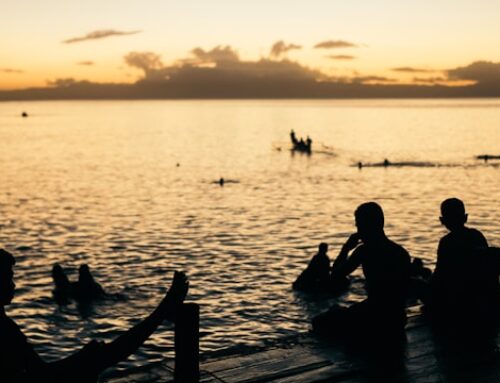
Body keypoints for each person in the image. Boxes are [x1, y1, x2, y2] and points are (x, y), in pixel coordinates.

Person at [1, 249, 188, 383]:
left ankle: (163, 311)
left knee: (99, 356)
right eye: (8, 278)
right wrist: (83, 359)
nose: (14, 285)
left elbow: (38, 372)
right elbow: (43, 375)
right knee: (100, 357)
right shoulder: (4, 328)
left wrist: (82, 358)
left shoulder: (5, 325)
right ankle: (163, 311)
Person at [312, 202, 411, 345]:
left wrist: (345, 249)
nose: (357, 230)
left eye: (358, 225)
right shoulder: (401, 252)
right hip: (397, 318)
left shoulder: (364, 251)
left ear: (366, 225)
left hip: (375, 316)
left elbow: (335, 276)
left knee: (320, 321)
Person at [426, 198, 498, 327]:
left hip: (457, 301)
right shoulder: (477, 236)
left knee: (418, 283)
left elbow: (439, 277)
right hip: (482, 297)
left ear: (442, 221)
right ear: (465, 217)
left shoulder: (446, 242)